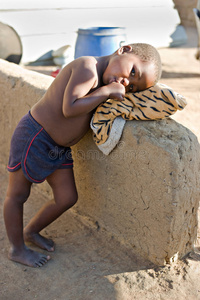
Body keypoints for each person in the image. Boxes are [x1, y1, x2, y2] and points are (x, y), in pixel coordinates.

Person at [3, 43, 162, 268]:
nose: (127, 83)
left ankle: (30, 231)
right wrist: (106, 92)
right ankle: (17, 249)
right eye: (133, 72)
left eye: (134, 87)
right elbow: (70, 107)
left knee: (67, 197)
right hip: (35, 136)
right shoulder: (88, 67)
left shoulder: (107, 79)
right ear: (124, 49)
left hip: (58, 148)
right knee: (17, 195)